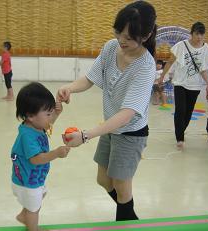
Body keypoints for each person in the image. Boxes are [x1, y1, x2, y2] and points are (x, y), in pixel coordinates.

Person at [57, 1, 156, 221]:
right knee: (103, 180)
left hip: (130, 133)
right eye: (118, 32)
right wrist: (69, 88)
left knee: (121, 187)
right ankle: (130, 217)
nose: (121, 40)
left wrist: (85, 135)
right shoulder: (111, 47)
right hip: (110, 127)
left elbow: (126, 114)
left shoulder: (146, 67)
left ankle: (126, 221)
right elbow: (91, 78)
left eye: (129, 38)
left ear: (146, 35)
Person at [11, 82, 70, 231]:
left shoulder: (36, 125)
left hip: (34, 177)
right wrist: (56, 153)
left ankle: (24, 215)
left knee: (39, 196)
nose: (50, 118)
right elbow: (35, 159)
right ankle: (33, 228)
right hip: (26, 181)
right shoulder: (27, 135)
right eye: (47, 113)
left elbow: (47, 124)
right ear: (30, 115)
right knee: (34, 210)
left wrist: (57, 113)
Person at [158, 22, 208, 149]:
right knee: (180, 110)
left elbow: (203, 69)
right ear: (191, 33)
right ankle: (180, 138)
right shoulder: (181, 45)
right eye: (197, 34)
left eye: (202, 34)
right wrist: (162, 76)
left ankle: (180, 131)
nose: (199, 37)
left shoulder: (206, 48)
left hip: (195, 85)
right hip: (180, 83)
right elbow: (170, 61)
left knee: (188, 112)